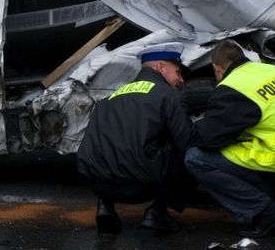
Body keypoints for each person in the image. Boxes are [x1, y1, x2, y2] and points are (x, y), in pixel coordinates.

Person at [185, 39, 275, 238]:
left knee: (196, 158)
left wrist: (191, 127)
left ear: (217, 68)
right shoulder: (272, 71)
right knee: (250, 148)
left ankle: (266, 213)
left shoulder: (233, 87)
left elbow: (209, 139)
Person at [76, 43, 195, 234]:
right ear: (161, 67)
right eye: (178, 72)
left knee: (110, 146)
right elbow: (187, 143)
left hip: (100, 184)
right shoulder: (167, 96)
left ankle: (105, 207)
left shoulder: (110, 98)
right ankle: (157, 212)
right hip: (140, 186)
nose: (181, 80)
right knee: (194, 156)